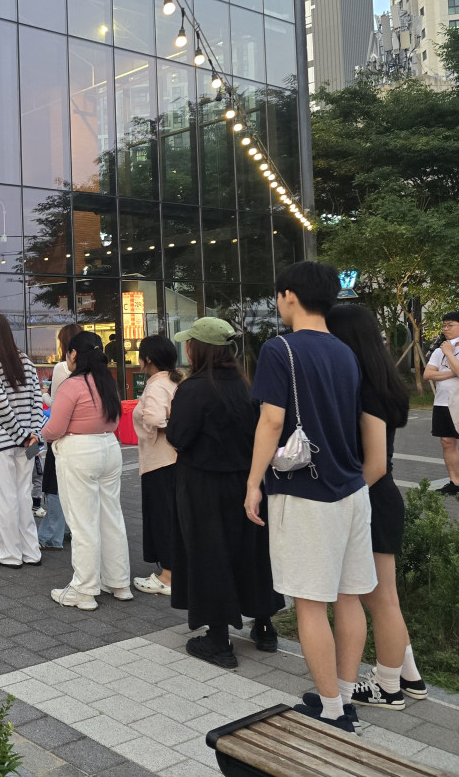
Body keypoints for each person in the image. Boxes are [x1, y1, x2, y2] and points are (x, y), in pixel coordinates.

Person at [246, 262, 376, 733]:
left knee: (309, 603)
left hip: (305, 493)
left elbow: (271, 421)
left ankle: (332, 711)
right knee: (349, 597)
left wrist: (253, 482)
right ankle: (343, 696)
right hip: (351, 489)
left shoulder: (279, 349)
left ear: (289, 295)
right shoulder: (345, 351)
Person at [325, 304, 426, 708]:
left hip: (371, 499)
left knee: (380, 600)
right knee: (385, 599)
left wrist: (342, 501)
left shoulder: (366, 390)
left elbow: (376, 464)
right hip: (379, 498)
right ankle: (409, 677)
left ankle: (387, 686)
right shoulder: (380, 382)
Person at [165, 319, 280, 669]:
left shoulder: (193, 388)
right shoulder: (246, 385)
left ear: (198, 348)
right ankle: (264, 626)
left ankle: (219, 639)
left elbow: (178, 437)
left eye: (189, 343)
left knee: (209, 554)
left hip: (203, 485)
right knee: (252, 552)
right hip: (247, 481)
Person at [43, 331, 130, 609]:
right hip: (109, 448)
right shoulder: (107, 382)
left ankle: (84, 590)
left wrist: (41, 433)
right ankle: (118, 583)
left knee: (83, 523)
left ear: (74, 354)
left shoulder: (72, 385)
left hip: (79, 452)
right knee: (111, 518)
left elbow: (55, 428)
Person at [0, 312, 43, 569]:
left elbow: (1, 407)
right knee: (23, 496)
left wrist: (22, 435)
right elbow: (37, 401)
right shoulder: (26, 361)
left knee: (3, 497)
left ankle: (9, 554)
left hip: (0, 442)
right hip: (26, 443)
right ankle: (31, 551)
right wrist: (33, 434)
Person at [131, 335, 182, 596]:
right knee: (175, 516)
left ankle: (167, 576)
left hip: (159, 461)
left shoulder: (155, 386)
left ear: (148, 359)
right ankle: (178, 572)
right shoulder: (176, 381)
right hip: (177, 460)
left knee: (162, 517)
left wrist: (167, 427)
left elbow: (153, 418)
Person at [38, 324, 82, 550]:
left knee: (54, 485)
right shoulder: (96, 371)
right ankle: (71, 530)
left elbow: (57, 405)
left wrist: (44, 395)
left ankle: (50, 536)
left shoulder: (62, 368)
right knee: (76, 487)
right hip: (84, 438)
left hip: (61, 436)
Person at [423, 311, 459, 495]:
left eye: (450, 325)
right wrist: (451, 372)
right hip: (442, 402)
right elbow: (428, 374)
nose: (445, 329)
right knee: (447, 442)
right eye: (444, 325)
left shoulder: (445, 350)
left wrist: (448, 353)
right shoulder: (438, 351)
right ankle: (455, 482)